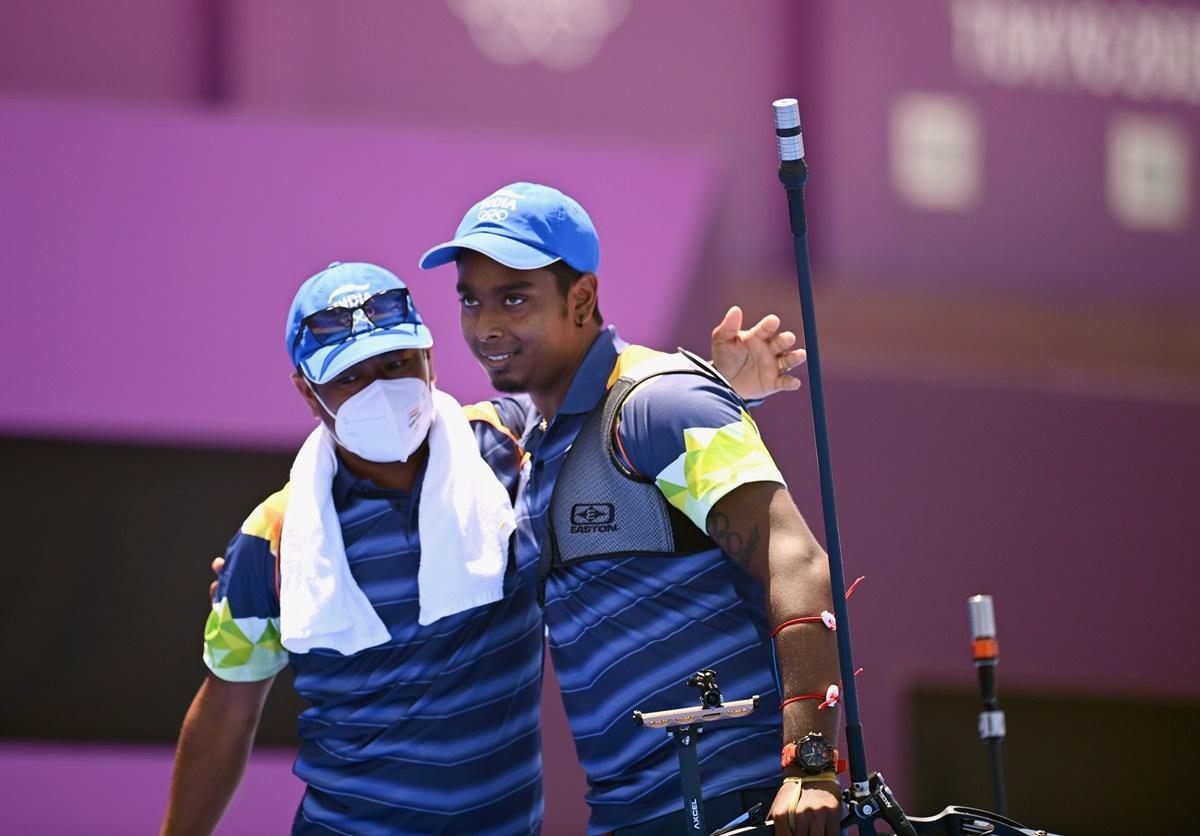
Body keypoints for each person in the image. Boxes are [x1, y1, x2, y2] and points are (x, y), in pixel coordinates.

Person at [165, 261, 801, 835]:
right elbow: (226, 710)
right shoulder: (276, 535)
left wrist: (722, 385)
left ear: (430, 358)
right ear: (308, 391)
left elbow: (622, 430)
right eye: (350, 377)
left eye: (395, 364)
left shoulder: (511, 446)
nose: (380, 390)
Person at [418, 183, 843, 836]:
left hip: (747, 806)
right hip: (627, 818)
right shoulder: (529, 436)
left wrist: (809, 766)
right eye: (471, 301)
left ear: (581, 298)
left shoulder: (660, 402)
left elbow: (798, 560)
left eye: (513, 298)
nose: (486, 326)